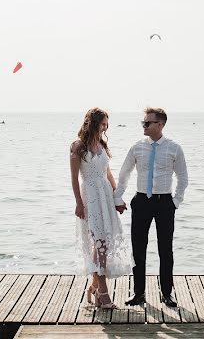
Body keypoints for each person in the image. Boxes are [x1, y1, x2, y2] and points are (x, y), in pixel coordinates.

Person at [113, 107, 188, 307]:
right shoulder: (137, 147)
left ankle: (167, 293)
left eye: (147, 123)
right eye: (143, 123)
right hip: (141, 202)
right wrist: (117, 198)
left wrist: (176, 202)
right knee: (138, 249)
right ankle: (138, 293)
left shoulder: (174, 148)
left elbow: (183, 177)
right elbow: (124, 174)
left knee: (166, 249)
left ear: (160, 124)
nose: (144, 126)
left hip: (165, 203)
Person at [70, 107, 133, 309]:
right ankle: (103, 294)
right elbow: (73, 178)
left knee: (104, 242)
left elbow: (108, 174)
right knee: (99, 245)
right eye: (103, 123)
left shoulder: (103, 144)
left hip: (105, 196)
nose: (106, 127)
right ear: (93, 122)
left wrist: (118, 198)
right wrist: (79, 203)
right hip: (90, 197)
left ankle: (94, 287)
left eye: (107, 123)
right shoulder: (78, 146)